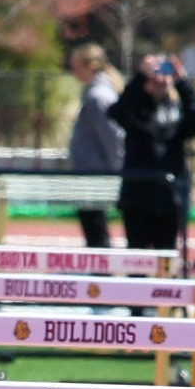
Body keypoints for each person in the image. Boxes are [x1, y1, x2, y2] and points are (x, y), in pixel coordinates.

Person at [107, 53, 195, 254]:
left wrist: (182, 82)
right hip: (137, 195)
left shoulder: (178, 110)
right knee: (136, 258)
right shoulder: (135, 109)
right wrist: (140, 78)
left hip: (170, 196)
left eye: (164, 73)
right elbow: (116, 112)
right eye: (154, 74)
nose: (159, 79)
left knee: (166, 257)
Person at [67, 43, 126, 249]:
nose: (72, 71)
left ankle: (102, 275)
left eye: (76, 66)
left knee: (96, 230)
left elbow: (113, 137)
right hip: (89, 170)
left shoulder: (98, 96)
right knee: (92, 227)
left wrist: (117, 169)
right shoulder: (94, 93)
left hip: (95, 173)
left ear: (90, 66)